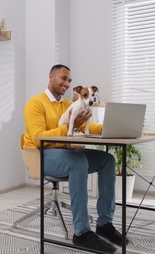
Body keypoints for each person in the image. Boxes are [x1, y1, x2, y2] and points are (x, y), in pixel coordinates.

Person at [23, 64, 128, 253]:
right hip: (43, 155)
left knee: (107, 160)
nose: (67, 83)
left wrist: (113, 127)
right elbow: (39, 136)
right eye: (63, 78)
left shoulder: (67, 104)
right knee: (77, 161)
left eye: (69, 80)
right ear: (51, 77)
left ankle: (104, 224)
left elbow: (89, 125)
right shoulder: (35, 103)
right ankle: (81, 232)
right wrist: (70, 128)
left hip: (66, 153)